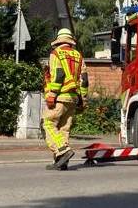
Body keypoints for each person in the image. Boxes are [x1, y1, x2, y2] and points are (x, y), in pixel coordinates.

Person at [42, 28, 88, 171]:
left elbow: (59, 75)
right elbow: (84, 80)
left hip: (60, 96)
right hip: (73, 98)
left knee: (48, 124)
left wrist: (52, 95)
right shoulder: (78, 56)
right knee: (64, 129)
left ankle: (62, 150)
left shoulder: (55, 54)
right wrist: (83, 100)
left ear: (58, 41)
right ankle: (61, 162)